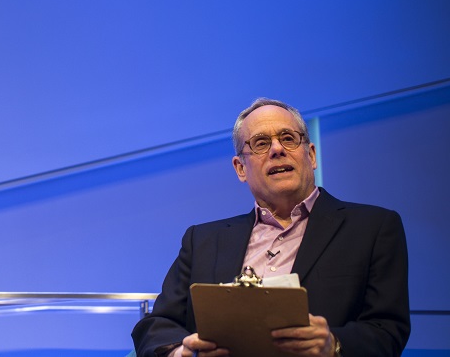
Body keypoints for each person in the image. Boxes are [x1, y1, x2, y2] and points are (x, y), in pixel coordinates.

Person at [131, 97, 410, 357]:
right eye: (261, 143)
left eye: (288, 138)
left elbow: (388, 330)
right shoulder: (202, 240)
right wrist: (181, 352)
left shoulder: (373, 228)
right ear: (241, 168)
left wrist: (333, 345)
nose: (277, 149)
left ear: (311, 155)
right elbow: (156, 325)